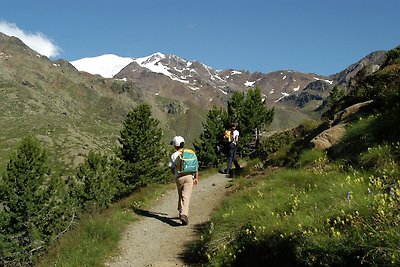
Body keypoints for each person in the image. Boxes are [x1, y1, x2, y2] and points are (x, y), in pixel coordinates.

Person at [168, 136, 199, 225]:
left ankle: (181, 210)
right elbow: (195, 166)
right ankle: (184, 214)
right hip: (189, 177)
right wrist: (196, 177)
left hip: (179, 177)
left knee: (181, 194)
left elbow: (171, 168)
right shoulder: (190, 153)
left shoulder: (174, 155)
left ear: (175, 145)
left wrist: (175, 175)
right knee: (186, 196)